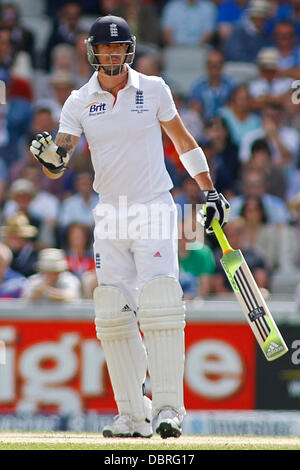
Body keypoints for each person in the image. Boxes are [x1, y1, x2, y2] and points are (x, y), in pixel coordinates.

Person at [29, 15, 230, 439]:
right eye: (106, 48)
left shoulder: (154, 89)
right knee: (113, 312)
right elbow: (58, 162)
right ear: (94, 52)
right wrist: (50, 161)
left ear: (129, 49)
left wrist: (209, 190)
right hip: (109, 213)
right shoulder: (79, 101)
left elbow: (182, 140)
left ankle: (169, 409)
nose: (114, 54)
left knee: (160, 302)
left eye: (120, 47)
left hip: (154, 206)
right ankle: (132, 416)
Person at [189, 49, 236, 122]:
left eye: (217, 63)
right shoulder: (198, 86)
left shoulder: (232, 85)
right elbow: (195, 111)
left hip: (229, 126)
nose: (214, 67)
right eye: (210, 63)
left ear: (223, 66)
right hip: (205, 125)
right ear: (206, 66)